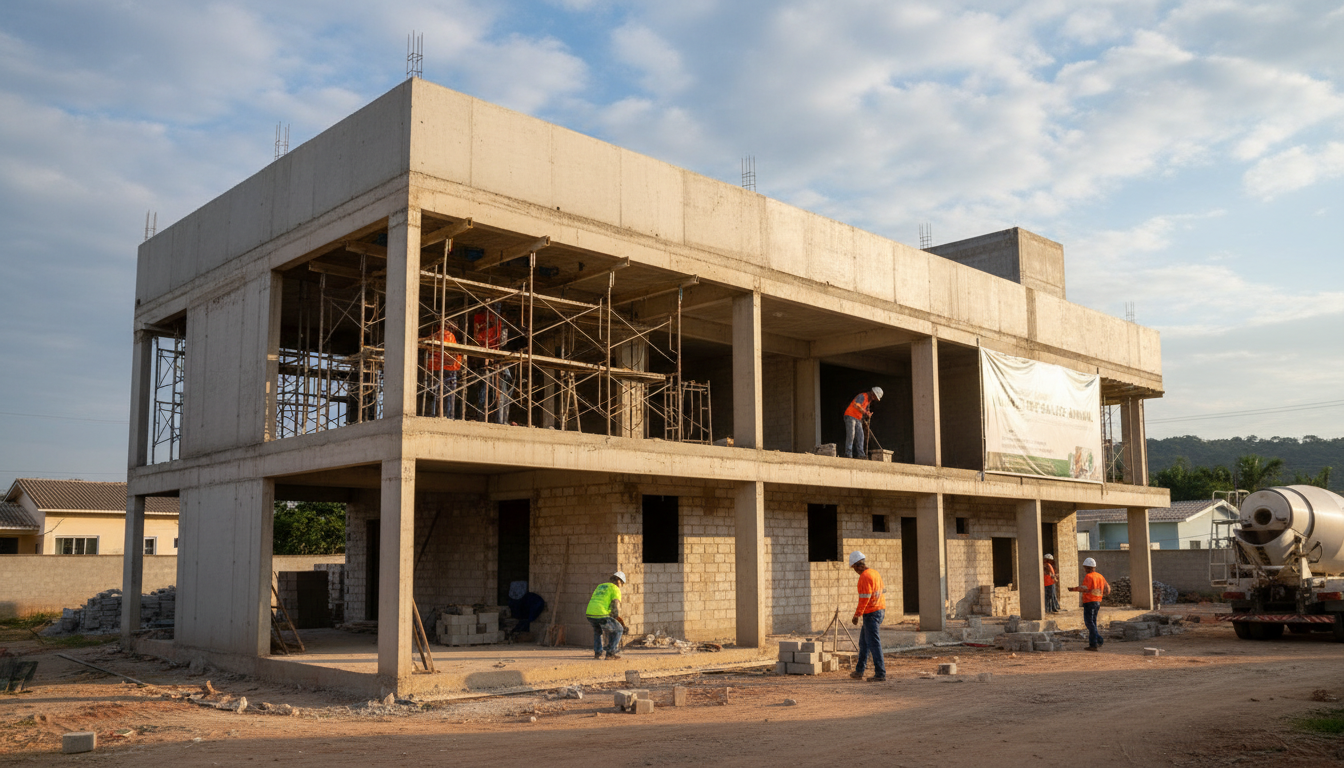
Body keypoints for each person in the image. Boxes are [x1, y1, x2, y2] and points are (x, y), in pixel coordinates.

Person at [847, 551, 886, 681]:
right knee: (864, 642)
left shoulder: (864, 577)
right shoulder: (875, 573)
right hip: (880, 610)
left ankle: (880, 673)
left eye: (854, 568)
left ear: (858, 565)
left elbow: (864, 599)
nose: (855, 571)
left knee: (874, 643)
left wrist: (857, 615)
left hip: (871, 613)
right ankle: (859, 671)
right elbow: (882, 591)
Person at [472, 304, 512, 423]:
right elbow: (478, 338)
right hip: (486, 362)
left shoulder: (498, 323)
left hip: (495, 362)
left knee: (501, 392)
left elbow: (501, 342)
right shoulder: (481, 320)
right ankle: (486, 418)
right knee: (485, 392)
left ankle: (501, 420)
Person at [422, 319, 462, 418]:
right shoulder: (448, 335)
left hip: (437, 368)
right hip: (448, 369)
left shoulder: (437, 335)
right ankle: (448, 416)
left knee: (435, 393)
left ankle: (433, 414)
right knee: (448, 395)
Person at [1068, 557, 1110, 650]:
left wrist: (1073, 589)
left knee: (1089, 623)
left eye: (1085, 568)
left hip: (1089, 602)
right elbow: (1108, 590)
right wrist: (1100, 594)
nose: (1084, 570)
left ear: (1087, 567)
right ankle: (1093, 644)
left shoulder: (1089, 576)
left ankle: (1098, 640)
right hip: (1097, 602)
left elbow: (1083, 588)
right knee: (1093, 622)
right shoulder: (1100, 576)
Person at [585, 570, 628, 660]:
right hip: (601, 613)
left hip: (590, 612)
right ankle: (610, 653)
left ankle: (598, 652)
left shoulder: (600, 586)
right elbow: (615, 606)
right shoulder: (615, 588)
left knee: (598, 631)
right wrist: (618, 620)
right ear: (620, 582)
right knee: (618, 629)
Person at [843, 387, 883, 458]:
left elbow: (863, 410)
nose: (874, 398)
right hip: (850, 416)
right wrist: (865, 413)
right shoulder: (862, 396)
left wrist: (867, 414)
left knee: (860, 436)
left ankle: (861, 454)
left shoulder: (868, 401)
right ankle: (848, 453)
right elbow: (856, 405)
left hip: (857, 418)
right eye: (875, 397)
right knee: (851, 434)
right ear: (872, 393)